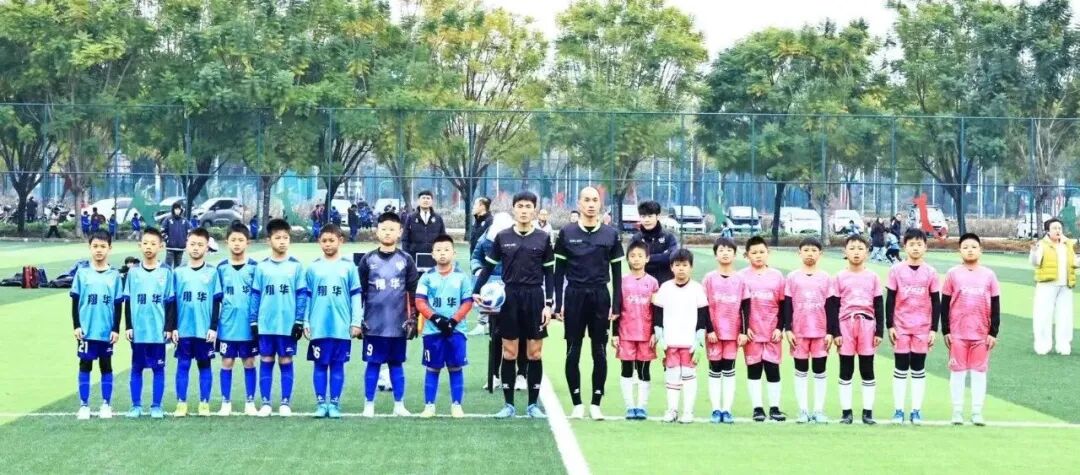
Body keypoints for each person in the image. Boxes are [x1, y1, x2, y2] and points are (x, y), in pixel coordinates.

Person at [473, 191, 555, 419]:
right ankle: (508, 405)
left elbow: (549, 273)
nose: (524, 210)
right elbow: (488, 266)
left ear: (534, 210)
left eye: (528, 206)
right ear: (514, 209)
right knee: (509, 352)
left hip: (535, 297)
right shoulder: (503, 237)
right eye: (520, 206)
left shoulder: (543, 238)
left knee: (534, 353)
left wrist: (548, 304)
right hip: (510, 297)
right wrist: (476, 290)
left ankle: (532, 405)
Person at [553, 187, 624, 420]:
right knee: (573, 351)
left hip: (600, 296)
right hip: (574, 296)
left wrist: (616, 304)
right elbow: (558, 272)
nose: (591, 204)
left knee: (599, 351)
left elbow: (617, 274)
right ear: (579, 203)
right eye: (587, 200)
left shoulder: (610, 234)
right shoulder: (567, 233)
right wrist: (558, 303)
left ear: (600, 203)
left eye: (595, 200)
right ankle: (577, 403)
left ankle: (595, 403)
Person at [357, 212, 420, 417]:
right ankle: (369, 404)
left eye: (392, 229)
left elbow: (413, 291)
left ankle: (399, 404)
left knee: (396, 363)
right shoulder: (368, 260)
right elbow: (360, 293)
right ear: (377, 231)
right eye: (383, 229)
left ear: (399, 232)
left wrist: (413, 318)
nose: (387, 232)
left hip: (398, 324)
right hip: (373, 323)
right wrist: (358, 319)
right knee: (373, 363)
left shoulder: (406, 260)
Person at [249, 218, 310, 417]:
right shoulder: (261, 267)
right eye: (278, 238)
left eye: (285, 238)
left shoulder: (296, 266)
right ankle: (266, 402)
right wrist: (253, 320)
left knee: (286, 360)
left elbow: (301, 295)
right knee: (266, 359)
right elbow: (255, 295)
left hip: (287, 325)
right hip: (266, 324)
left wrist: (299, 321)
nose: (282, 241)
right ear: (269, 240)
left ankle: (285, 402)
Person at [304, 224, 363, 419]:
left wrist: (356, 321)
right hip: (318, 325)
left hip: (341, 326)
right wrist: (306, 322)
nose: (328, 244)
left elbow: (356, 296)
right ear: (319, 242)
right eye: (324, 241)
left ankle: (335, 404)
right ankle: (321, 403)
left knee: (337, 365)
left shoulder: (349, 267)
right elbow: (307, 297)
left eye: (332, 240)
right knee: (320, 365)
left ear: (340, 241)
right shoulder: (313, 267)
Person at [941, 233, 1001, 426]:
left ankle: (976, 412)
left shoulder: (989, 275)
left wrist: (993, 332)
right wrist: (946, 330)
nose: (970, 250)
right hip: (957, 333)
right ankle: (957, 411)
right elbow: (945, 304)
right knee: (957, 372)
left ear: (980, 250)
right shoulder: (952, 274)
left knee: (979, 373)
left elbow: (996, 304)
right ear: (959, 250)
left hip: (981, 333)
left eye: (974, 247)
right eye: (965, 247)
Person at [652, 249, 716, 423]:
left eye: (685, 265)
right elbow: (657, 314)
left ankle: (688, 412)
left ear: (691, 267)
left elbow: (703, 316)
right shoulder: (665, 288)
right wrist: (659, 337)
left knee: (689, 376)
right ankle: (672, 410)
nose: (681, 268)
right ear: (671, 267)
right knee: (672, 376)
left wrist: (699, 341)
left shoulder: (697, 289)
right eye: (677, 265)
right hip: (670, 342)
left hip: (690, 343)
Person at [415, 234, 474, 418]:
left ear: (454, 253)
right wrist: (436, 319)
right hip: (433, 332)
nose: (442, 253)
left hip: (456, 331)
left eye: (446, 250)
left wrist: (454, 320)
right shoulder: (426, 277)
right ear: (432, 254)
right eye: (438, 250)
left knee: (455, 367)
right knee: (432, 368)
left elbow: (467, 302)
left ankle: (456, 405)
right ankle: (429, 406)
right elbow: (420, 302)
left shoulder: (462, 277)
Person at [886, 228, 940, 425]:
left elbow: (936, 302)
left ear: (925, 247)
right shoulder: (896, 270)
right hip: (901, 326)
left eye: (919, 244)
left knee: (918, 368)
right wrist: (890, 325)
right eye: (911, 244)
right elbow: (890, 299)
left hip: (922, 328)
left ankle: (916, 411)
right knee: (900, 368)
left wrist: (933, 329)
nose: (915, 248)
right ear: (904, 246)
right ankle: (899, 410)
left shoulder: (931, 272)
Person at [781, 237, 836, 424]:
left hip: (820, 331)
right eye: (806, 250)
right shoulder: (792, 277)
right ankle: (803, 410)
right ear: (799, 253)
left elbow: (831, 306)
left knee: (820, 371)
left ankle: (818, 410)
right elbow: (787, 304)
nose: (810, 254)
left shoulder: (826, 278)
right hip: (799, 332)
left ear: (820, 254)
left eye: (814, 250)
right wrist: (788, 328)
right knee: (801, 371)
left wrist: (830, 331)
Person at [71, 231, 124, 420]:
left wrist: (115, 329)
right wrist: (77, 325)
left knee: (106, 366)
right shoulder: (82, 273)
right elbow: (75, 302)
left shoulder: (115, 275)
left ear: (110, 248)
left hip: (105, 331)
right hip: (86, 330)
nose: (99, 250)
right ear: (90, 248)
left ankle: (106, 404)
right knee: (85, 365)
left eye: (103, 246)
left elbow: (118, 305)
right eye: (95, 246)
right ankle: (84, 405)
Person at [170, 227, 222, 417]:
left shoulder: (213, 273)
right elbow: (172, 302)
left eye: (200, 244)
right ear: (186, 245)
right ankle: (181, 403)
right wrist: (173, 327)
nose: (196, 248)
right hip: (184, 329)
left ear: (207, 247)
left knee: (204, 365)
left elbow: (216, 301)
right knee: (183, 365)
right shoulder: (178, 272)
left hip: (204, 329)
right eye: (192, 244)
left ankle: (204, 403)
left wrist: (213, 327)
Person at [833, 234, 884, 425]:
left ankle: (867, 412)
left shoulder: (873, 277)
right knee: (846, 369)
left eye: (860, 248)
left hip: (867, 326)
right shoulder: (839, 277)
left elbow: (878, 305)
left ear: (867, 253)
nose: (856, 252)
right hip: (845, 325)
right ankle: (846, 412)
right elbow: (833, 306)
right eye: (852, 248)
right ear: (845, 252)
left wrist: (879, 331)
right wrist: (835, 332)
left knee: (867, 369)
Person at [122, 228, 172, 419]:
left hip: (158, 331)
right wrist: (128, 326)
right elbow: (128, 301)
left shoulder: (166, 272)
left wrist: (169, 328)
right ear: (139, 245)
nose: (149, 247)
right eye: (145, 243)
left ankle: (156, 406)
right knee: (137, 368)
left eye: (153, 243)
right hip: (139, 331)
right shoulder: (133, 273)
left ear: (161, 246)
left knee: (158, 369)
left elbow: (170, 302)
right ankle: (135, 406)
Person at [214, 223, 260, 417]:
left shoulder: (255, 267)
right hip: (227, 325)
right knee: (227, 361)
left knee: (249, 361)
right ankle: (226, 402)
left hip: (248, 326)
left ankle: (250, 401)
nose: (237, 243)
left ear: (247, 242)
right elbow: (216, 298)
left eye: (241, 240)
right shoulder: (221, 268)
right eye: (233, 240)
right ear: (227, 242)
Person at [740, 236, 786, 422]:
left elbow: (783, 305)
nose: (758, 256)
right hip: (752, 332)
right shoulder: (741, 277)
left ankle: (775, 408)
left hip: (772, 331)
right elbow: (738, 306)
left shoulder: (777, 276)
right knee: (754, 370)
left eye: (761, 252)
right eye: (754, 253)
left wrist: (780, 327)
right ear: (747, 255)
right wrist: (744, 328)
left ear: (768, 253)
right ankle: (757, 408)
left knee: (773, 369)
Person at [702, 237, 747, 424]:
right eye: (721, 250)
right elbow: (703, 306)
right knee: (714, 369)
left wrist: (743, 331)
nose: (725, 253)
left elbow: (745, 307)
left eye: (729, 250)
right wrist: (709, 329)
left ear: (735, 255)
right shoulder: (709, 279)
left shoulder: (741, 279)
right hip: (714, 333)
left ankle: (726, 409)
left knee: (729, 369)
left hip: (733, 333)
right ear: (716, 255)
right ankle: (715, 409)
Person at [613, 241, 659, 420]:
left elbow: (656, 310)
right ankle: (630, 406)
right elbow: (616, 309)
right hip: (625, 333)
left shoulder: (653, 283)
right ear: (627, 259)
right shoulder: (622, 282)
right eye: (632, 256)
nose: (636, 259)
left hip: (646, 334)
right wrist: (615, 333)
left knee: (643, 371)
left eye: (640, 256)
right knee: (626, 370)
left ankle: (641, 406)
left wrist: (655, 331)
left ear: (647, 258)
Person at [1029, 218, 1077, 356]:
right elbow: (1035, 262)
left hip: (1065, 285)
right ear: (1048, 231)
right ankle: (1043, 345)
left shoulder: (1067, 244)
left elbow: (1073, 261)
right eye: (1054, 228)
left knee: (1065, 316)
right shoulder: (1042, 245)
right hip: (1047, 284)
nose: (1058, 230)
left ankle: (1063, 346)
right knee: (1043, 315)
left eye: (1060, 228)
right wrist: (1033, 252)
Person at [629, 201, 679, 284]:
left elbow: (671, 257)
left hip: (665, 283)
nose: (646, 220)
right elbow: (632, 261)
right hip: (641, 284)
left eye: (650, 216)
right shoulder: (636, 239)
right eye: (643, 216)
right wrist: (662, 256)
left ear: (658, 216)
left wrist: (645, 258)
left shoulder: (669, 237)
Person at [402, 190, 446, 262]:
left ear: (432, 201)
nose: (426, 200)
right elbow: (405, 238)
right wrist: (407, 255)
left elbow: (443, 238)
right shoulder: (411, 217)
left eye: (428, 198)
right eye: (423, 198)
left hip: (434, 257)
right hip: (414, 257)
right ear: (418, 201)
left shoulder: (438, 218)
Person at [162, 202, 191, 268]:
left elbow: (190, 232)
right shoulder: (168, 219)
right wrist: (167, 240)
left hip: (181, 247)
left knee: (178, 267)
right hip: (170, 247)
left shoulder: (185, 221)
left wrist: (186, 241)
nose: (177, 211)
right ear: (173, 210)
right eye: (176, 209)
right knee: (167, 266)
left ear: (181, 210)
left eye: (179, 209)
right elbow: (163, 231)